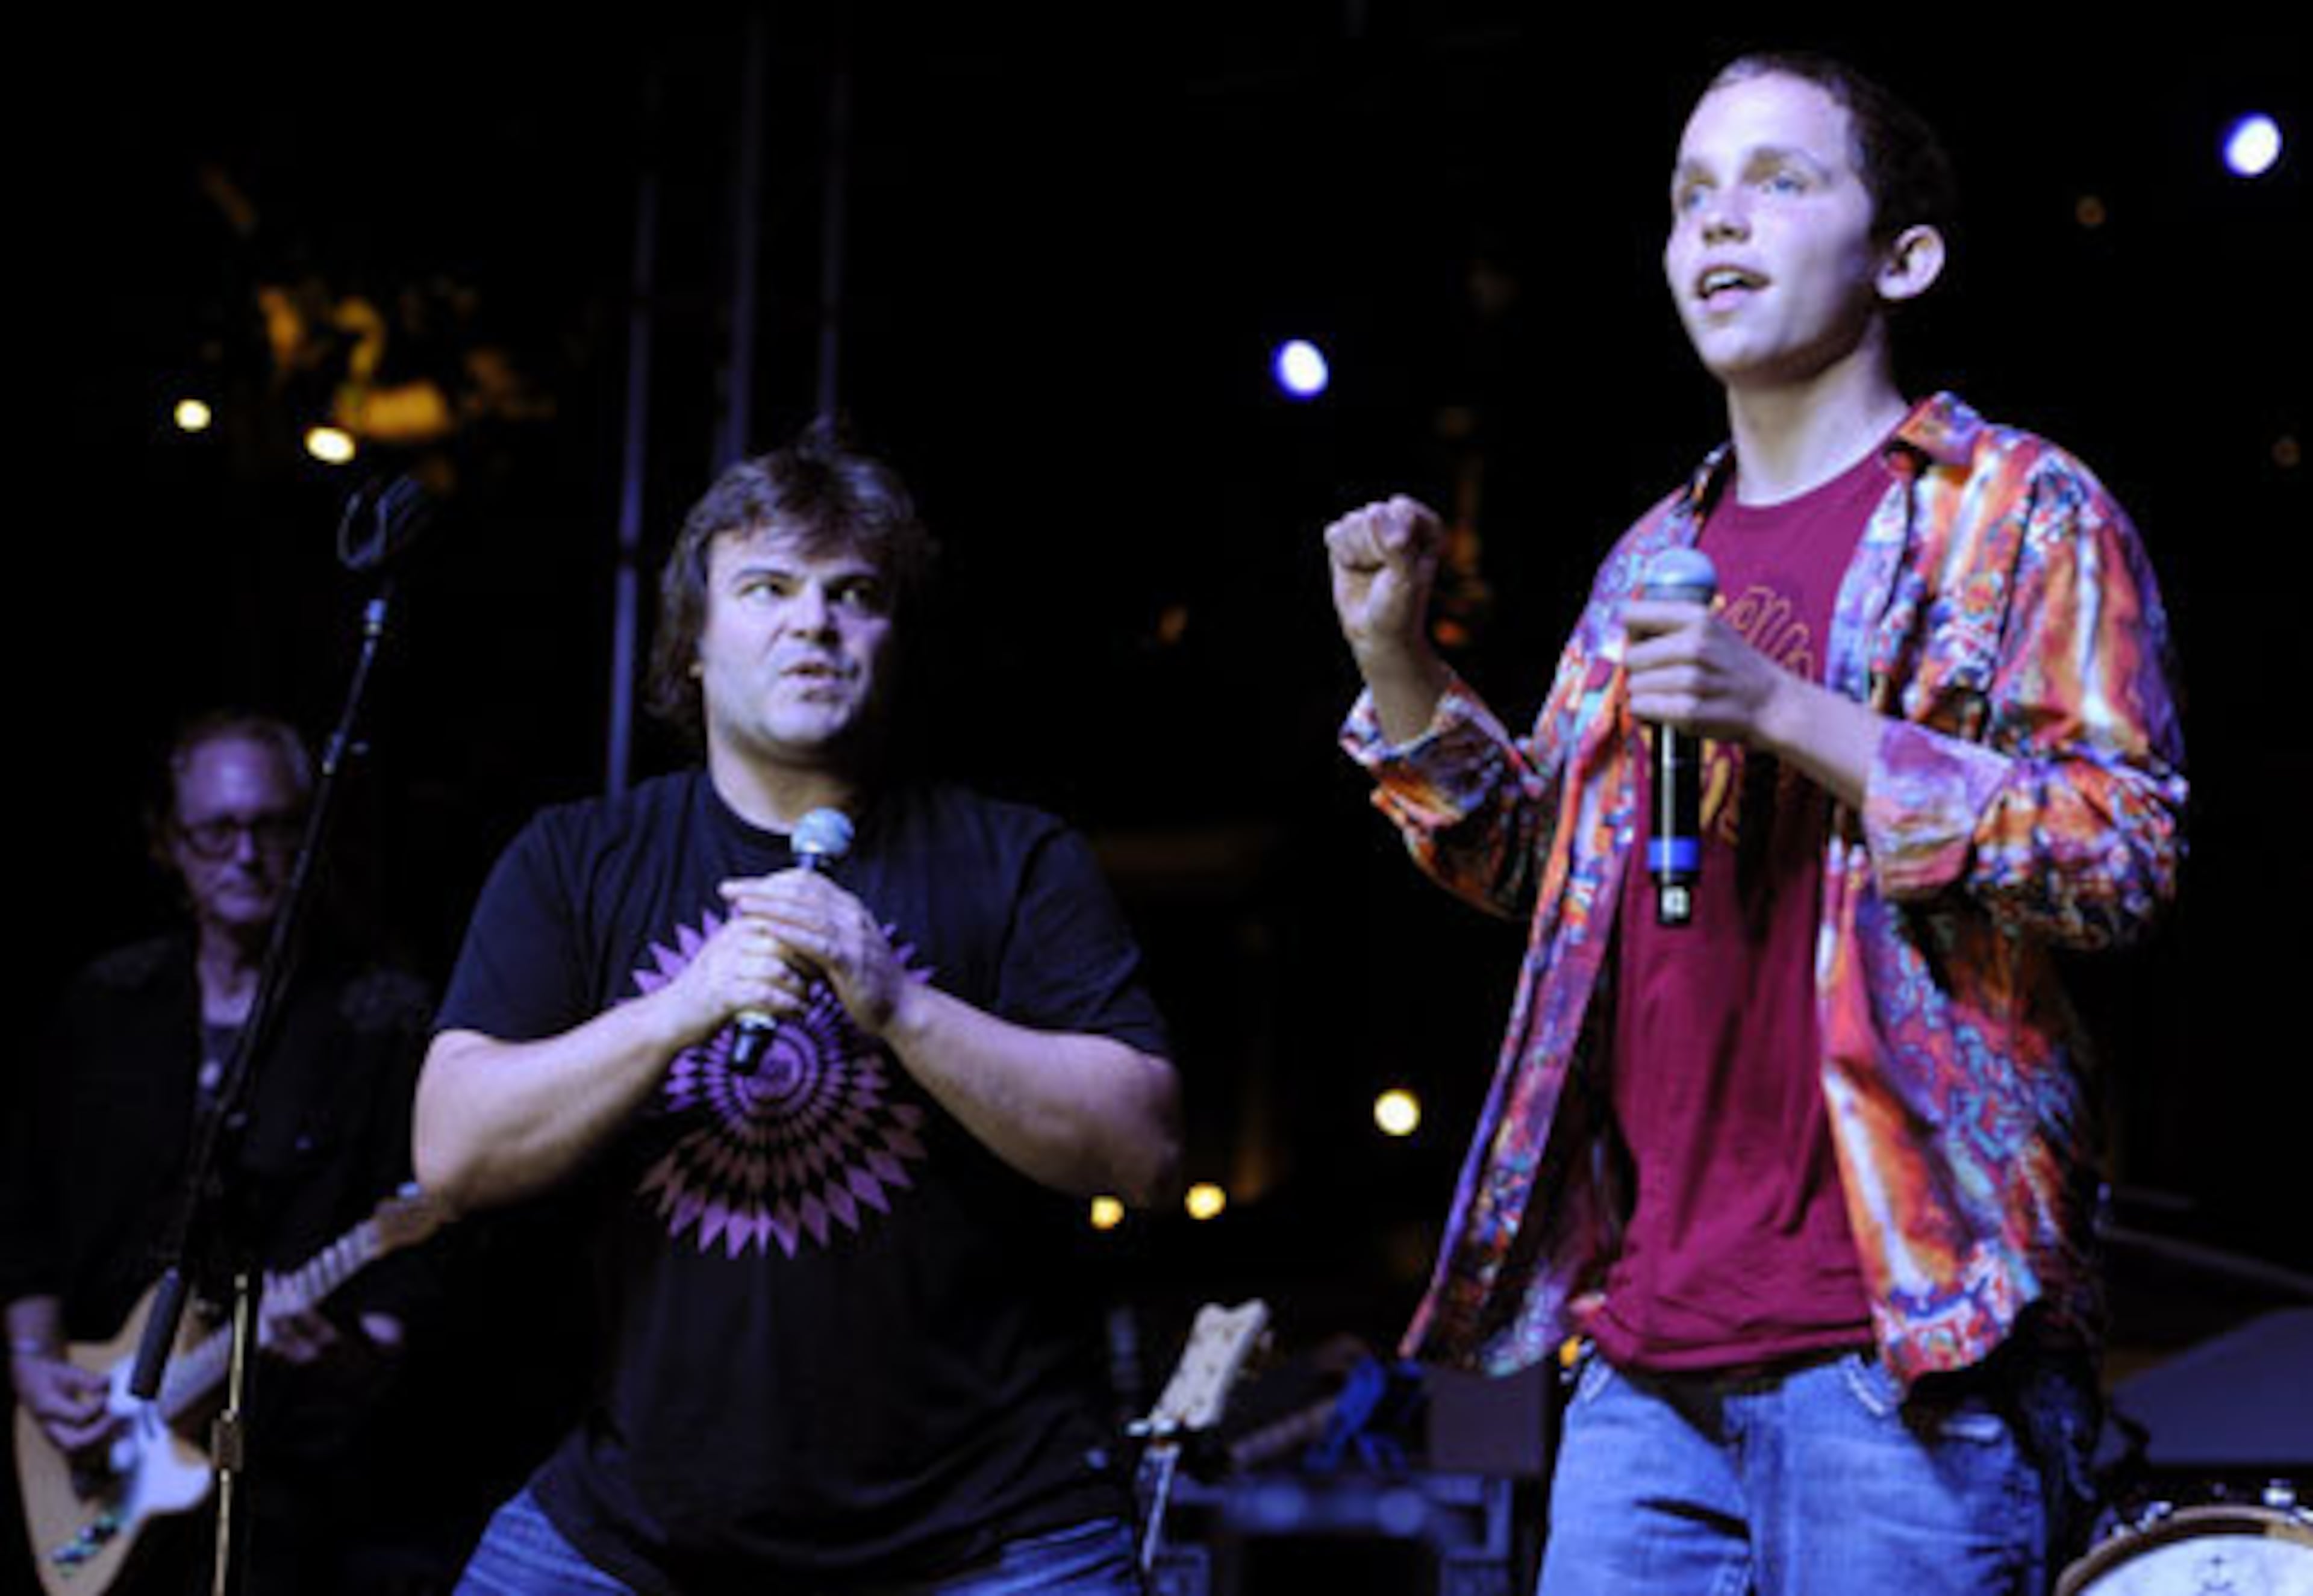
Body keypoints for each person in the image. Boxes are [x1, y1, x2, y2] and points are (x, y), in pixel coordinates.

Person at [1323, 51, 2186, 1596]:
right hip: (1645, 1357)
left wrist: (1790, 711)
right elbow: (1535, 869)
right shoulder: (1651, 556)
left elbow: (2119, 853)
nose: (1720, 222)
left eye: (1780, 182)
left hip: (1904, 1351)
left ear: (1904, 257)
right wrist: (1398, 662)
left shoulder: (2019, 512)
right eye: (1691, 195)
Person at [414, 426, 1183, 1594]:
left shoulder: (1018, 857)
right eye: (767, 588)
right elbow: (453, 1150)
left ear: (892, 641)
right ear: (693, 645)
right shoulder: (576, 859)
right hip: (643, 1527)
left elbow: (1143, 1148)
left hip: (992, 1531)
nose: (814, 622)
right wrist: (677, 1010)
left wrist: (903, 1004)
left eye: (853, 594)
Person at [1, 711, 438, 1595]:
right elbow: (28, 1212)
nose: (246, 855)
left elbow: (418, 1246)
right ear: (169, 842)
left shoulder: (383, 1018)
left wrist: (351, 1356)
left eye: (274, 827)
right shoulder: (106, 1001)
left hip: (291, 1480)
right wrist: (35, 1364)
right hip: (90, 1435)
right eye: (217, 830)